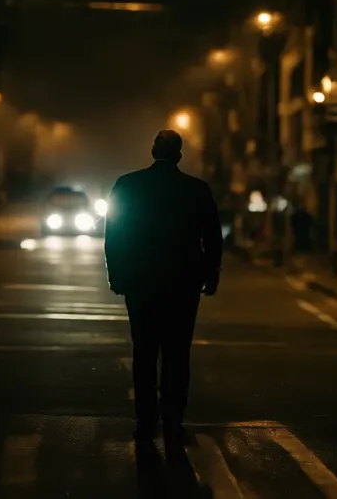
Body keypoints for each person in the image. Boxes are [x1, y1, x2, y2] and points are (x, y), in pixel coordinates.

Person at [105, 129, 222, 444]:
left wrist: (116, 275)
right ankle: (173, 420)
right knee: (177, 353)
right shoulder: (196, 189)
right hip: (183, 283)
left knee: (144, 352)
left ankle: (145, 422)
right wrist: (211, 276)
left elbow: (114, 234)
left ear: (152, 151)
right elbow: (212, 237)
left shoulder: (127, 185)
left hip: (140, 281)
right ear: (179, 155)